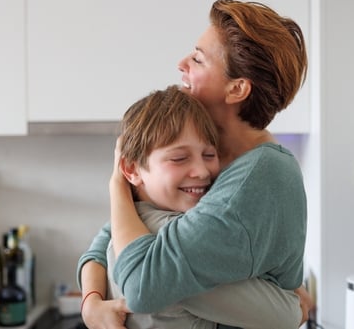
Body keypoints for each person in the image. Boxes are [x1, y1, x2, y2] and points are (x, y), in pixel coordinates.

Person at [78, 0, 311, 328]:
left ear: (237, 89)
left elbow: (142, 279)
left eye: (198, 60)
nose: (181, 63)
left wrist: (118, 185)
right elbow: (108, 239)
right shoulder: (217, 162)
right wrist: (91, 303)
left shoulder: (259, 175)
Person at [95, 85, 302, 329]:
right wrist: (294, 296)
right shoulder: (163, 238)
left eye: (209, 155)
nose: (202, 171)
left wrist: (90, 301)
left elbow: (99, 243)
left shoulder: (126, 224)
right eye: (179, 158)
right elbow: (285, 316)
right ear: (131, 169)